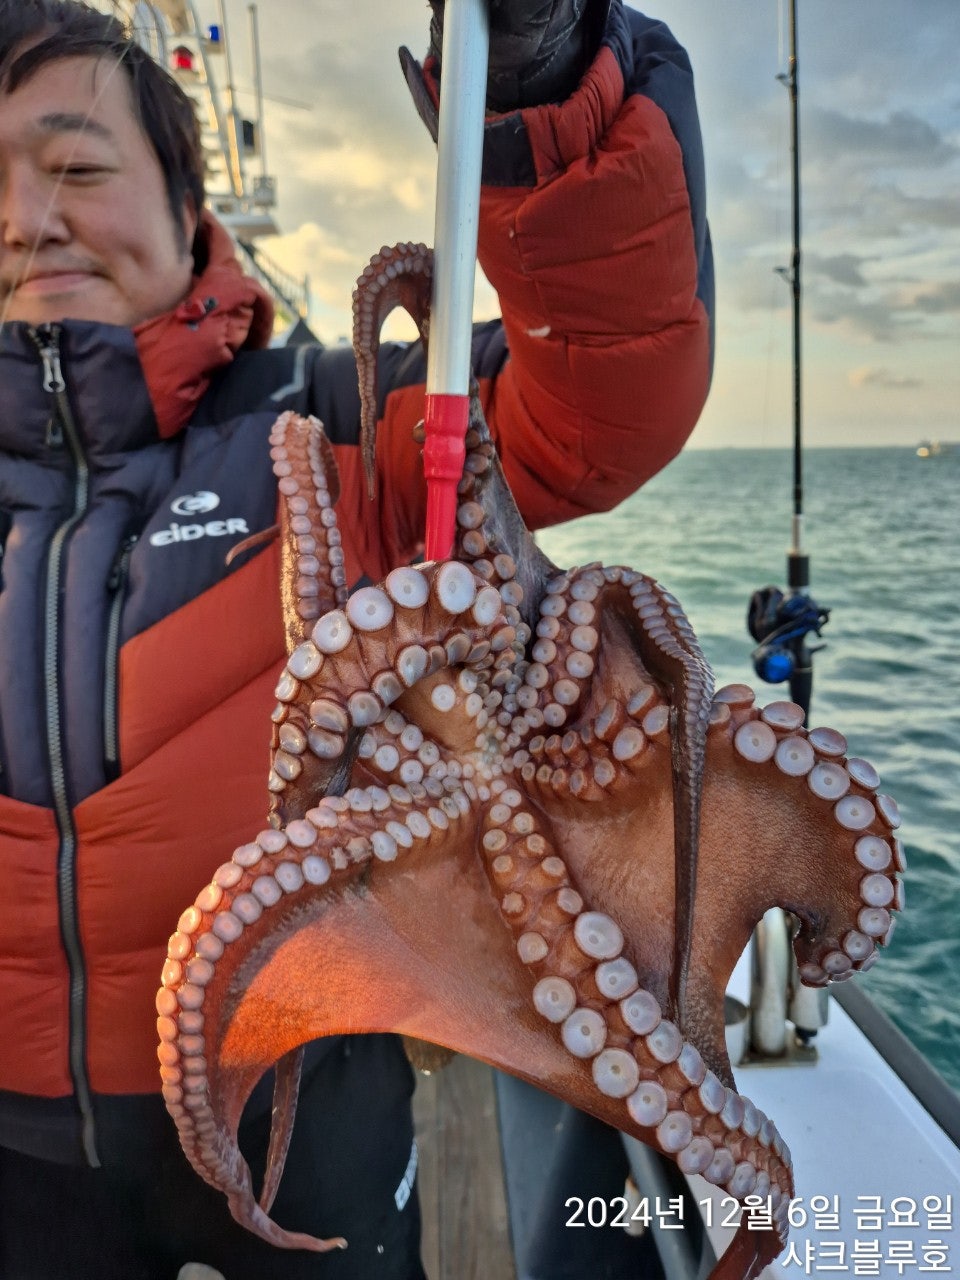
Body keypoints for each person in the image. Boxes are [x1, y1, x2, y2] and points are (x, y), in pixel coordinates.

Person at [0, 0, 713, 1276]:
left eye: (76, 167)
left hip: (312, 1074)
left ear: (187, 204)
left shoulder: (340, 417)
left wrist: (542, 85)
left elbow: (598, 397)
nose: (25, 217)